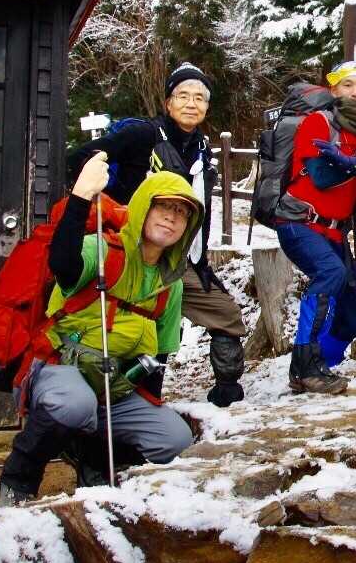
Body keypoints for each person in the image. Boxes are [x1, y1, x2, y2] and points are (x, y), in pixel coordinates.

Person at [0, 158, 200, 505]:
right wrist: (80, 196)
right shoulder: (105, 250)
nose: (171, 217)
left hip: (112, 389)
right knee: (76, 405)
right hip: (58, 372)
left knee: (174, 439)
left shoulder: (171, 283)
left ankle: (94, 459)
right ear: (142, 208)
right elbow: (63, 264)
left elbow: (160, 355)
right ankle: (18, 480)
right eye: (163, 207)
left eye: (181, 213)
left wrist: (149, 405)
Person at [68, 63, 247, 409]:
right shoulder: (142, 135)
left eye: (200, 98)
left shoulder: (200, 148)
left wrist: (201, 263)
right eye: (183, 96)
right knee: (147, 322)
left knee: (225, 312)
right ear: (168, 102)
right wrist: (105, 205)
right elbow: (79, 159)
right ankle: (138, 399)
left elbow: (199, 209)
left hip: (180, 257)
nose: (191, 104)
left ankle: (227, 396)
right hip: (131, 254)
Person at [278, 62, 356, 395]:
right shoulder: (318, 122)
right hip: (299, 222)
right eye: (348, 85)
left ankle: (320, 366)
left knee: (352, 315)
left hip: (333, 232)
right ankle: (306, 366)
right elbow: (322, 177)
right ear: (334, 90)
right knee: (330, 273)